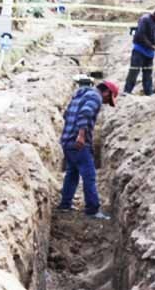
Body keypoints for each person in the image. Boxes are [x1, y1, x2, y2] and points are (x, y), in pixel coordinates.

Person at [57, 81, 118, 220]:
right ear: (106, 92)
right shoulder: (95, 97)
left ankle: (65, 204)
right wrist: (81, 135)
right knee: (89, 175)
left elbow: (67, 115)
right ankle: (92, 209)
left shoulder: (80, 95)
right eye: (108, 99)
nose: (106, 103)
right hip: (78, 143)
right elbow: (85, 113)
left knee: (72, 172)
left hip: (67, 140)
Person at [124, 8, 155, 96]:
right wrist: (150, 45)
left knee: (148, 74)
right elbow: (141, 34)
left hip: (150, 53)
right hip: (139, 50)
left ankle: (148, 93)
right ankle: (127, 91)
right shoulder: (145, 20)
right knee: (134, 71)